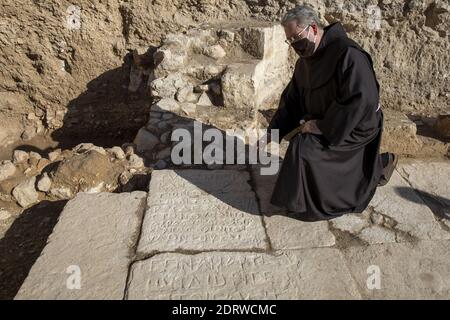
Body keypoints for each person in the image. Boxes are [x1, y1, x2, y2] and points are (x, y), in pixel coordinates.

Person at [265, 5, 397, 222]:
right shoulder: (305, 61)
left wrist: (322, 127)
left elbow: (363, 99)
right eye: (289, 41)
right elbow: (292, 99)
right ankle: (377, 167)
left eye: (296, 37)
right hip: (329, 122)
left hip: (356, 126)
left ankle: (323, 201)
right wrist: (273, 132)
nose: (294, 45)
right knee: (300, 143)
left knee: (304, 148)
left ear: (313, 29)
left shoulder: (348, 54)